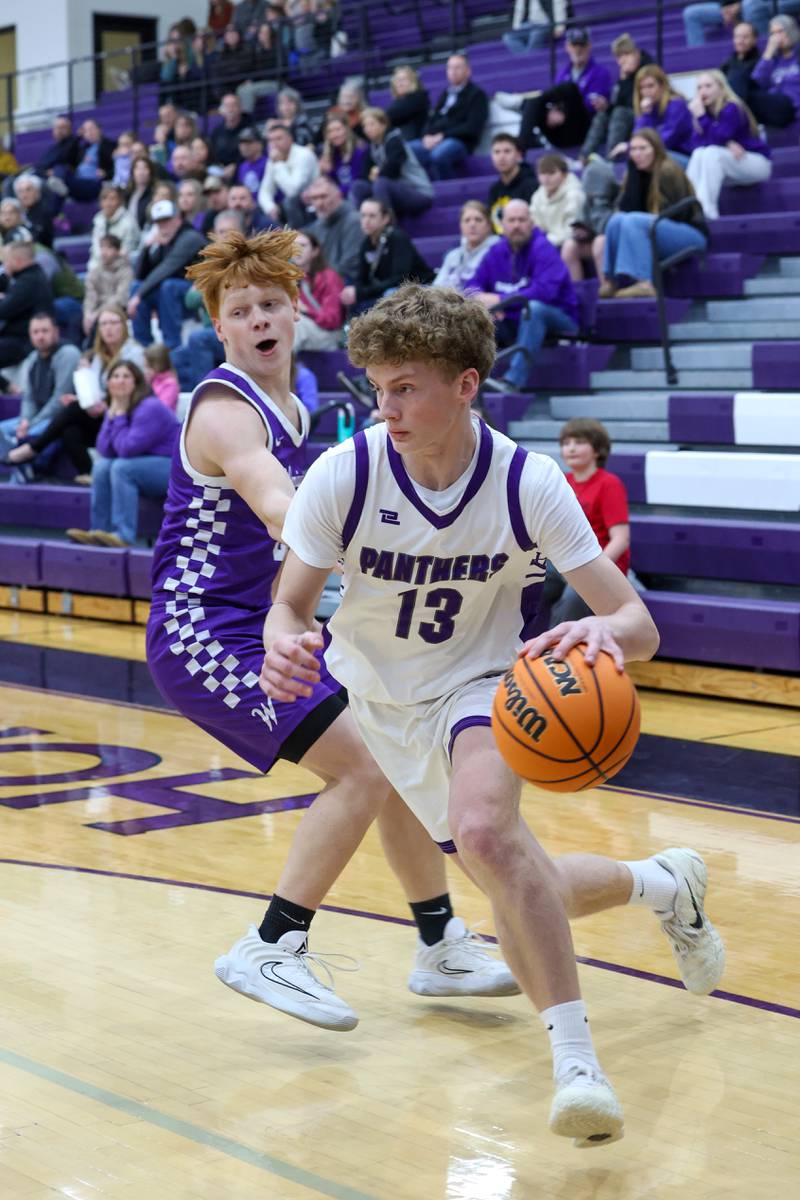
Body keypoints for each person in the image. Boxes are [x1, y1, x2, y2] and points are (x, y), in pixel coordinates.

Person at [259, 280, 725, 1146]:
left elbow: (641, 625)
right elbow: (288, 606)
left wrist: (604, 629)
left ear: (465, 384)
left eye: (406, 388)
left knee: (486, 834)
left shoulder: (526, 482)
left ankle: (578, 1065)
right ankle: (665, 883)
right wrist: (281, 642)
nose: (386, 407)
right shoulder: (345, 473)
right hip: (380, 700)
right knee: (522, 883)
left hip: (485, 686)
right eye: (378, 388)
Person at [145, 229, 518, 1034]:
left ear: (297, 312)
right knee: (362, 768)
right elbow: (280, 507)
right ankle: (271, 944)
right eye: (240, 311)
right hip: (202, 630)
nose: (258, 319)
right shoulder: (224, 410)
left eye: (270, 304)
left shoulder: (295, 402)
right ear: (220, 329)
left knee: (389, 753)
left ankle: (438, 942)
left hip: (264, 620)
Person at [467, 199, 579, 392]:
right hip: (514, 317)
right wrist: (485, 303)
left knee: (534, 309)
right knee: (470, 317)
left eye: (521, 220)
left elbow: (544, 292)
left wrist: (501, 301)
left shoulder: (543, 248)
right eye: (511, 220)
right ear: (502, 224)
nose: (516, 225)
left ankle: (513, 382)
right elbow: (471, 285)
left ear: (531, 222)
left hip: (559, 316)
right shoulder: (496, 251)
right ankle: (469, 383)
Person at [66, 359, 178, 546]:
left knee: (122, 468)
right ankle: (99, 531)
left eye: (126, 376)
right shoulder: (118, 406)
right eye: (116, 376)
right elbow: (104, 450)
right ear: (108, 383)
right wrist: (113, 414)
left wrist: (118, 416)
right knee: (101, 467)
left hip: (173, 468)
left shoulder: (149, 407)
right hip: (145, 464)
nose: (120, 381)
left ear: (136, 382)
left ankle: (123, 535)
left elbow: (126, 449)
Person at [599, 129, 708, 299]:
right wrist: (633, 174)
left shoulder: (668, 170)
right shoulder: (635, 171)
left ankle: (644, 283)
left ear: (656, 149)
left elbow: (679, 214)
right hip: (653, 230)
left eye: (643, 148)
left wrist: (643, 219)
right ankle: (611, 281)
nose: (637, 154)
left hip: (690, 234)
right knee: (616, 220)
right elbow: (628, 209)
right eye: (633, 149)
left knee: (633, 221)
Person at [543, 418, 632, 624]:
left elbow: (621, 539)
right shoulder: (561, 481)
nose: (571, 448)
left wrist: (594, 571)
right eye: (566, 443)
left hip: (597, 563)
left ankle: (556, 645)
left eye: (579, 442)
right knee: (520, 579)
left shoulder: (609, 483)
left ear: (598, 450)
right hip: (564, 561)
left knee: (574, 597)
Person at [686, 70, 772, 219]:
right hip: (731, 165)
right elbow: (696, 145)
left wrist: (701, 118)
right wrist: (727, 143)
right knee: (699, 153)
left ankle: (706, 211)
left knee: (712, 153)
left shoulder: (732, 107)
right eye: (699, 87)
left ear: (721, 87)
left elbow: (720, 137)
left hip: (755, 161)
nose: (703, 91)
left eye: (708, 86)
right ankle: (688, 207)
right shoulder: (705, 114)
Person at [0, 311, 80, 472]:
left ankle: (23, 468)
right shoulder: (32, 359)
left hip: (61, 419)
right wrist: (25, 421)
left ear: (56, 331)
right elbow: (28, 398)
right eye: (35, 332)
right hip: (37, 417)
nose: (40, 336)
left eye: (45, 331)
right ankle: (16, 468)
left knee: (34, 432)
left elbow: (59, 399)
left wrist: (30, 425)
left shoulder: (68, 354)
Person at [518, 27, 612, 152]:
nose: (578, 49)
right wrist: (552, 112)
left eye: (581, 45)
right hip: (562, 130)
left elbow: (592, 105)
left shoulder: (600, 73)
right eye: (574, 45)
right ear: (567, 47)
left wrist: (563, 111)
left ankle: (528, 99)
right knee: (531, 103)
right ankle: (521, 147)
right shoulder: (563, 73)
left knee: (569, 88)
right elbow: (555, 100)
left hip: (585, 128)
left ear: (589, 46)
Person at [128, 199, 206, 347]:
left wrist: (138, 295)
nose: (163, 225)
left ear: (178, 218)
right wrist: (147, 248)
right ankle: (143, 346)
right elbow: (140, 275)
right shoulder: (162, 240)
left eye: (166, 220)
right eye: (159, 222)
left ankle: (172, 346)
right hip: (170, 295)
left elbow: (167, 267)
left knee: (168, 286)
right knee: (136, 286)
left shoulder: (190, 237)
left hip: (196, 293)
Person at [340, 198, 435, 314]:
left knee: (390, 295)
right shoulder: (366, 243)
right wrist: (354, 291)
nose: (366, 221)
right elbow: (362, 278)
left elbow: (400, 279)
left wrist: (361, 292)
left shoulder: (397, 238)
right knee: (350, 292)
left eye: (372, 216)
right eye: (363, 216)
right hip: (388, 289)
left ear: (385, 219)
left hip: (419, 287)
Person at [409, 54, 489, 180]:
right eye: (450, 68)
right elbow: (432, 118)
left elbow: (471, 127)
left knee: (438, 155)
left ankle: (447, 188)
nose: (453, 71)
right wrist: (426, 136)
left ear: (468, 71)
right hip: (436, 139)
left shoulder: (477, 95)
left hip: (460, 141)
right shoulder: (446, 94)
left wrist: (442, 136)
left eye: (458, 67)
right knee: (406, 150)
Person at [581, 33, 654, 161]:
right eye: (619, 57)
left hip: (645, 114)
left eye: (626, 55)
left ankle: (611, 159)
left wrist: (626, 80)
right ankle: (583, 157)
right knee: (602, 115)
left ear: (636, 53)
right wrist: (606, 106)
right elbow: (620, 102)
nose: (622, 61)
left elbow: (638, 101)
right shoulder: (625, 74)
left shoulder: (649, 70)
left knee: (620, 113)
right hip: (628, 114)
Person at [351, 108, 434, 218]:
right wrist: (372, 176)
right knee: (359, 186)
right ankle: (362, 223)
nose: (367, 129)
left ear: (383, 125)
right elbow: (364, 174)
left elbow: (393, 170)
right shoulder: (372, 147)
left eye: (371, 124)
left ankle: (386, 224)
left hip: (418, 192)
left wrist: (377, 175)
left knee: (381, 183)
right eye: (365, 126)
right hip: (396, 191)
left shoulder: (394, 141)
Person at [0, 241, 53, 372]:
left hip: (23, 342)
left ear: (17, 262)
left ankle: (7, 383)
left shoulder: (29, 282)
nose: (4, 266)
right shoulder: (28, 276)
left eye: (6, 261)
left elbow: (3, 310)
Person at [628, 65, 694, 167]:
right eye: (642, 88)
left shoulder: (677, 105)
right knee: (637, 157)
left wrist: (634, 147)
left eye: (650, 86)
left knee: (646, 157)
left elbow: (666, 141)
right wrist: (645, 116)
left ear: (662, 86)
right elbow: (638, 138)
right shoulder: (646, 109)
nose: (646, 91)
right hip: (659, 154)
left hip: (684, 157)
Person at [258, 123, 319, 228]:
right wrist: (270, 207)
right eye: (271, 140)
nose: (274, 144)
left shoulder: (304, 155)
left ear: (290, 139)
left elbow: (293, 191)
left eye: (278, 139)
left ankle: (297, 235)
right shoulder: (273, 159)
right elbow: (264, 191)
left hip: (313, 204)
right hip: (293, 208)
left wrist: (278, 163)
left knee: (289, 202)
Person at [293, 229, 344, 352]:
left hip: (329, 335)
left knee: (295, 324)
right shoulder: (292, 278)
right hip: (309, 330)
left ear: (315, 251)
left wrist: (306, 310)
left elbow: (333, 320)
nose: (297, 250)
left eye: (303, 245)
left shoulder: (329, 277)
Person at [303, 176, 363, 281]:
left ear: (338, 196)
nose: (319, 203)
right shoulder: (313, 228)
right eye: (314, 198)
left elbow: (350, 267)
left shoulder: (355, 221)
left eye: (323, 196)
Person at [433, 200, 500, 291]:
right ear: (461, 226)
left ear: (489, 225)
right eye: (467, 220)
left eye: (478, 220)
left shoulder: (498, 252)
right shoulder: (452, 256)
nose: (472, 224)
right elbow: (435, 289)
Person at [748, 13, 800, 126]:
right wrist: (768, 52)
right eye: (773, 34)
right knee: (744, 86)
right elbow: (757, 82)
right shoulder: (772, 60)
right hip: (774, 108)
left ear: (792, 31)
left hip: (793, 106)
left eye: (780, 32)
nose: (776, 38)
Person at [683, 0, 800, 47]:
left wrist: (739, 4)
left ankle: (764, 49)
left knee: (751, 5)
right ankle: (698, 57)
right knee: (691, 13)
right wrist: (726, 6)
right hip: (736, 4)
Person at [82, 235, 134, 338]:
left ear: (118, 250)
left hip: (118, 310)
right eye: (102, 247)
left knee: (107, 319)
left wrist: (97, 313)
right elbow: (90, 297)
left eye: (109, 248)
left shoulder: (126, 271)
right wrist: (87, 315)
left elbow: (121, 298)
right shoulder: (95, 272)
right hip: (97, 312)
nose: (104, 252)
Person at [529, 154, 586, 247]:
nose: (546, 178)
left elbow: (571, 231)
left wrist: (544, 242)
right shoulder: (538, 195)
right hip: (546, 243)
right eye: (542, 173)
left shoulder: (574, 195)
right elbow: (534, 225)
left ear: (564, 174)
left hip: (570, 245)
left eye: (551, 173)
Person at [486, 133, 537, 233]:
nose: (501, 157)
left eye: (507, 151)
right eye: (497, 152)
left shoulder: (532, 185)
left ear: (518, 155)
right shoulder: (494, 189)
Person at [87, 184, 140, 271]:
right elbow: (95, 248)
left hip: (122, 267)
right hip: (98, 266)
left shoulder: (128, 222)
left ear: (120, 201)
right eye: (104, 198)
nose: (108, 203)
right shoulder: (98, 219)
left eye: (112, 199)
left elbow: (127, 251)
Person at [236, 20, 280, 116]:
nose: (263, 35)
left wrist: (255, 80)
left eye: (266, 32)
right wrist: (250, 80)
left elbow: (278, 72)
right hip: (261, 83)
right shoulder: (258, 51)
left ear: (271, 34)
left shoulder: (279, 49)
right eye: (261, 33)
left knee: (247, 91)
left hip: (276, 82)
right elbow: (254, 69)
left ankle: (246, 119)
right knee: (240, 88)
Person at [319, 114, 368, 200]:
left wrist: (336, 192)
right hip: (341, 196)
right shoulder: (331, 153)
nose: (334, 135)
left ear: (347, 130)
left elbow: (357, 181)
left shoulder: (360, 149)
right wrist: (327, 172)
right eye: (330, 131)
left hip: (360, 194)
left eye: (338, 129)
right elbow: (334, 182)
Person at [210, 93, 253, 183]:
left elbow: (253, 151)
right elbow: (212, 153)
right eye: (227, 106)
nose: (230, 109)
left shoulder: (250, 127)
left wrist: (236, 166)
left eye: (233, 105)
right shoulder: (217, 131)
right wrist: (220, 168)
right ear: (221, 110)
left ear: (240, 108)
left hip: (244, 167)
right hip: (221, 171)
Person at [503, 0, 568, 54]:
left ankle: (529, 60)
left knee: (536, 33)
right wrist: (516, 29)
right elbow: (519, 10)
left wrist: (559, 27)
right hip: (530, 24)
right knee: (508, 37)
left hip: (546, 23)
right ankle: (526, 59)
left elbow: (559, 5)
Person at [386, 65, 430, 142]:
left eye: (403, 79)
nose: (399, 83)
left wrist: (380, 118)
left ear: (413, 81)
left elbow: (393, 114)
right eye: (397, 80)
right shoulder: (397, 102)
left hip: (417, 140)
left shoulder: (418, 97)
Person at [721, 20, 761, 96]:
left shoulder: (761, 62)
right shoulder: (727, 63)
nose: (740, 41)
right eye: (737, 37)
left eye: (745, 37)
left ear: (755, 40)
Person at [12, 175, 54, 248]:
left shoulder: (46, 211)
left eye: (28, 190)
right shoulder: (14, 212)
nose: (24, 195)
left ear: (37, 192)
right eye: (20, 191)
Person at [233, 128, 268, 202]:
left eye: (249, 142)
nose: (244, 146)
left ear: (260, 144)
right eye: (241, 143)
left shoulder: (268, 164)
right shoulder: (242, 167)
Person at [143, 342, 180, 412]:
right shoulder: (151, 380)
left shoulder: (170, 385)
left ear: (158, 365)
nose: (146, 371)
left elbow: (162, 410)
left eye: (148, 367)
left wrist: (147, 388)